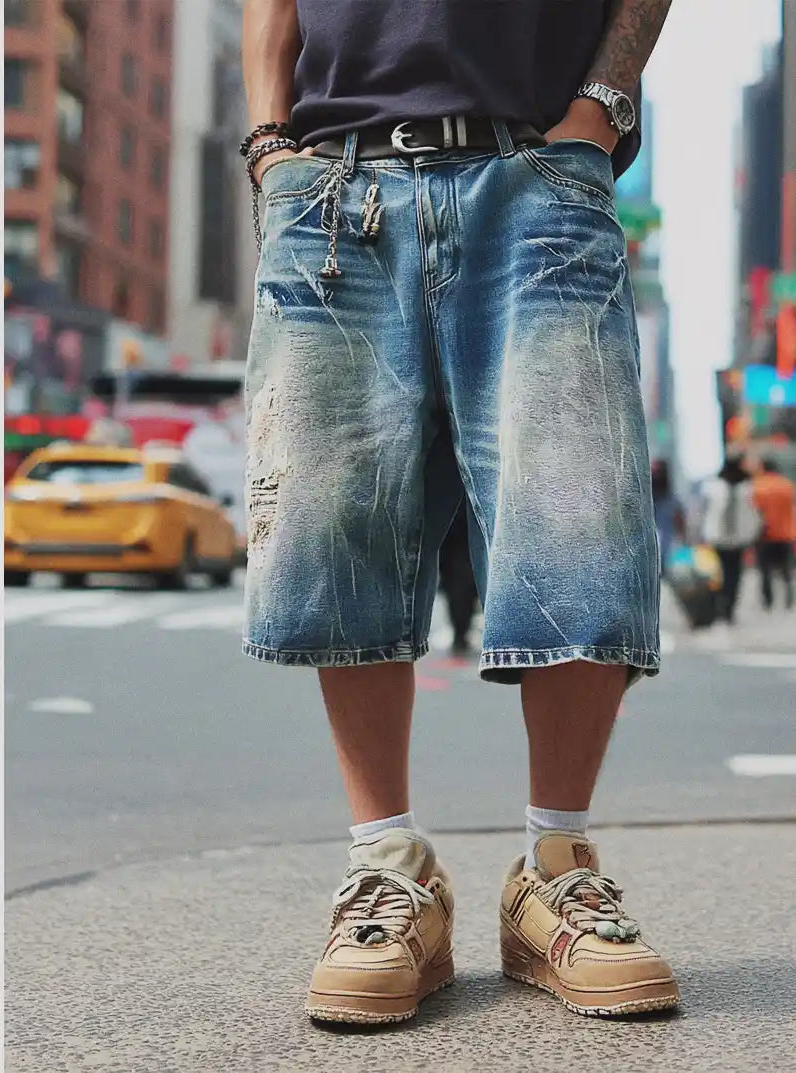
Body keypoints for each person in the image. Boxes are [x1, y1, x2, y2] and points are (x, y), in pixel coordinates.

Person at [240, 0, 679, 1024]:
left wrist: (600, 110)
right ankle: (389, 869)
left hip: (538, 168)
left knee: (580, 517)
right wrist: (271, 143)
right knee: (333, 529)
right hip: (331, 177)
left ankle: (557, 873)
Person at [701, 455, 762, 625]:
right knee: (718, 575)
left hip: (738, 539)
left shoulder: (746, 488)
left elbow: (753, 513)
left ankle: (728, 608)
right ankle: (719, 606)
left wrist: (752, 533)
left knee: (734, 576)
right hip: (718, 538)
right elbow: (705, 512)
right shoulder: (715, 487)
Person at [749, 456, 795, 611]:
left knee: (765, 570)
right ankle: (789, 598)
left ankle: (768, 601)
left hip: (765, 535)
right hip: (786, 534)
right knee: (786, 570)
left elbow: (754, 512)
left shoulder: (758, 487)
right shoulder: (787, 485)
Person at [437, 513, 477, 656]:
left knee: (456, 595)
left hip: (452, 546)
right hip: (464, 547)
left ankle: (459, 633)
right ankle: (461, 633)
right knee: (464, 595)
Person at [651, 459, 686, 574]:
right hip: (651, 550)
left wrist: (681, 543)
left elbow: (680, 523)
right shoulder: (645, 502)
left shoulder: (672, 501)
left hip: (668, 549)